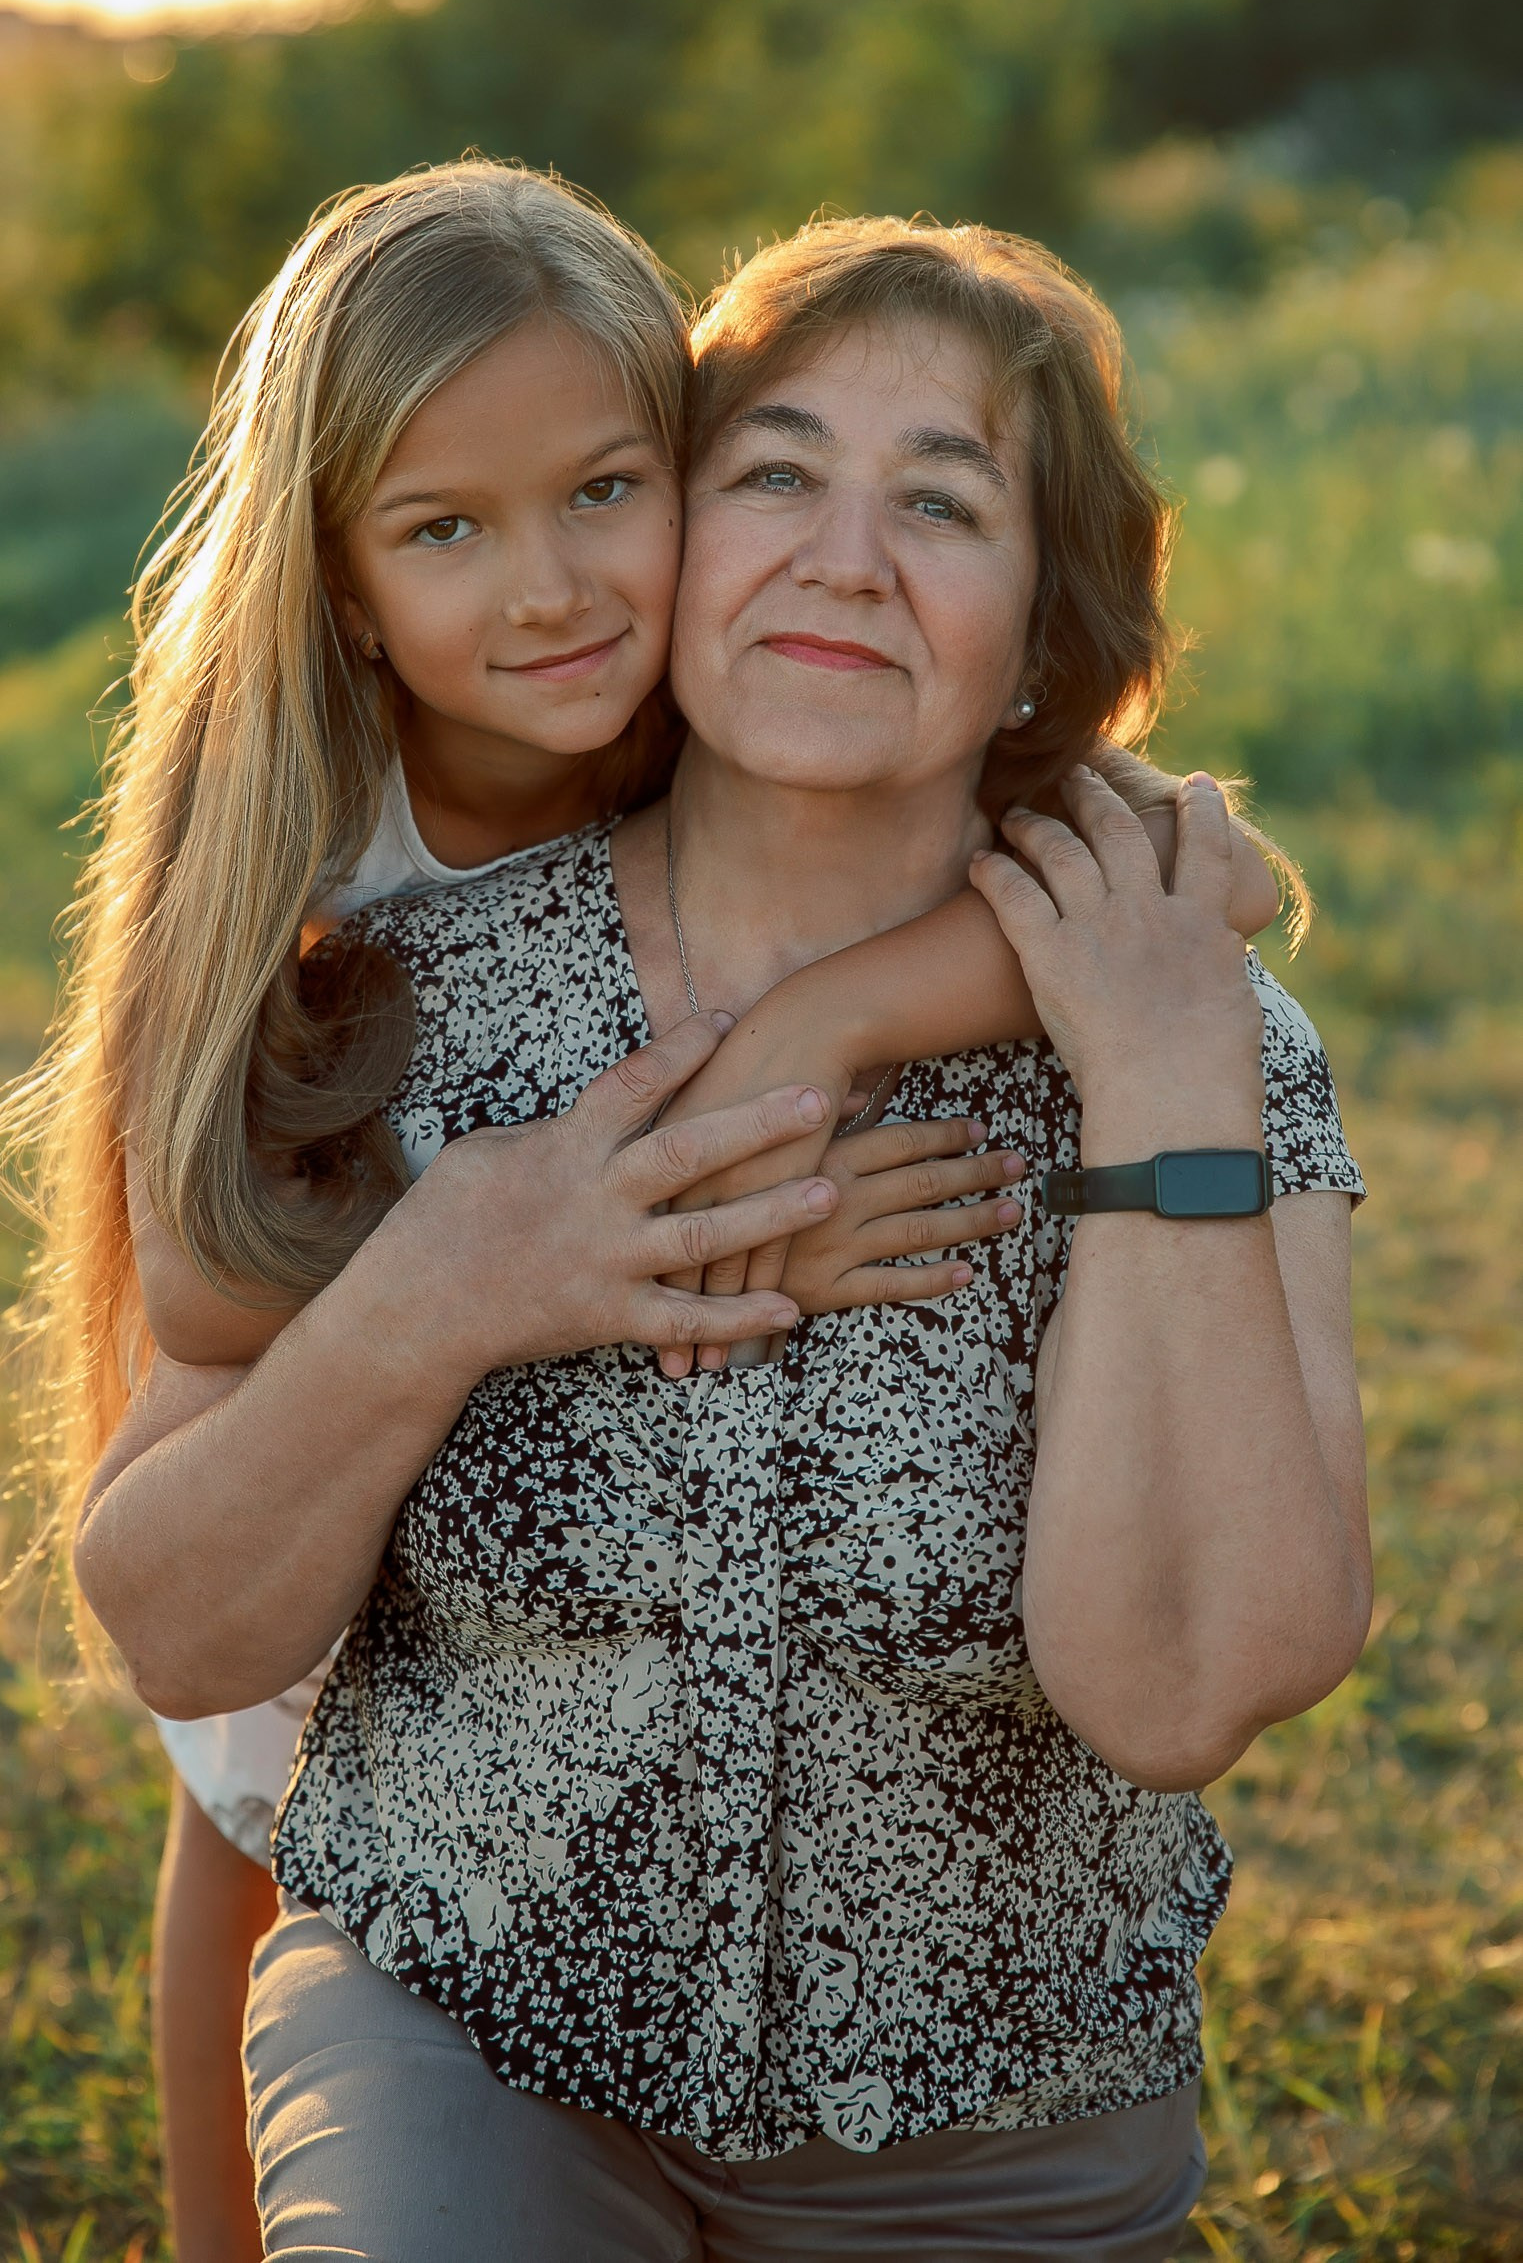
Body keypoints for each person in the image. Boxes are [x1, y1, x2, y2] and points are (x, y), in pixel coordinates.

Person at [68, 209, 1368, 2260]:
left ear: (1044, 629)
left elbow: (1195, 1684)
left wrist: (1164, 1084)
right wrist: (453, 1280)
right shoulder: (388, 984)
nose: (844, 554)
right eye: (777, 474)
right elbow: (174, 1617)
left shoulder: (1190, 1016)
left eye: (942, 501)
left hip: (999, 2101)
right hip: (467, 2017)